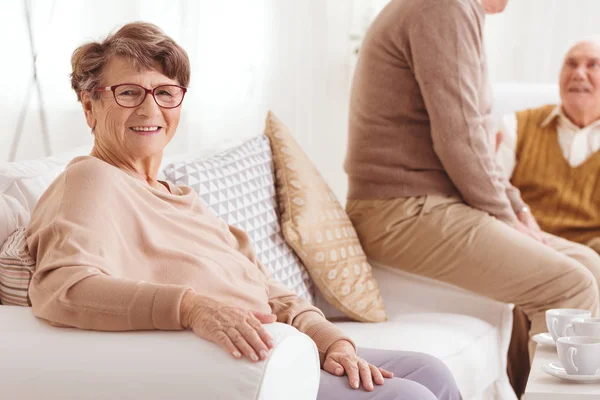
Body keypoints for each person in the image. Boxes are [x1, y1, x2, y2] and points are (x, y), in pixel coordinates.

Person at [25, 22, 461, 400]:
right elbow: (62, 288)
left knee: (431, 372)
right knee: (408, 395)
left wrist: (331, 343)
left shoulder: (185, 198)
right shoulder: (91, 179)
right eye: (128, 93)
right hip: (236, 368)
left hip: (285, 347)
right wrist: (191, 308)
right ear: (89, 106)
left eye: (165, 92)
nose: (150, 108)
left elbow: (267, 290)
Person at [344, 0, 600, 396]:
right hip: (403, 209)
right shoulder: (446, 6)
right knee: (571, 285)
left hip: (433, 203)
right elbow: (460, 141)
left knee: (588, 263)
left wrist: (518, 209)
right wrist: (508, 219)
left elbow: (473, 140)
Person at [496, 38, 600, 256]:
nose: (579, 74)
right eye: (571, 64)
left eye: (593, 65)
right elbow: (493, 192)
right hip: (527, 243)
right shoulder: (516, 125)